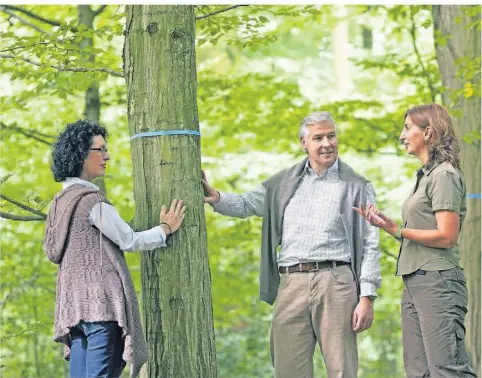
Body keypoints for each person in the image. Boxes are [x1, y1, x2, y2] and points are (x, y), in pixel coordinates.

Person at [202, 111, 381, 378]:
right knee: (287, 369)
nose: (326, 143)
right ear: (304, 144)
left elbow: (370, 243)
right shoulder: (283, 183)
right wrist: (216, 197)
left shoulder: (355, 185)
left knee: (341, 369)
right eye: (318, 138)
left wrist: (366, 297)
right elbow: (247, 204)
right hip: (291, 283)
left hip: (337, 282)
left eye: (331, 136)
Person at [43, 120, 186, 378]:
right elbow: (129, 240)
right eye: (100, 150)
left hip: (74, 314)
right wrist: (165, 228)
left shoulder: (58, 204)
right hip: (101, 310)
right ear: (81, 155)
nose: (106, 156)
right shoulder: (91, 203)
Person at [353, 103, 477, 377]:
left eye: (408, 128)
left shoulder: (444, 175)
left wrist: (399, 229)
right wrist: (389, 227)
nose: (402, 135)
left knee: (447, 370)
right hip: (415, 281)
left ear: (429, 132)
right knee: (418, 371)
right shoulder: (425, 177)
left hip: (438, 282)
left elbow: (447, 236)